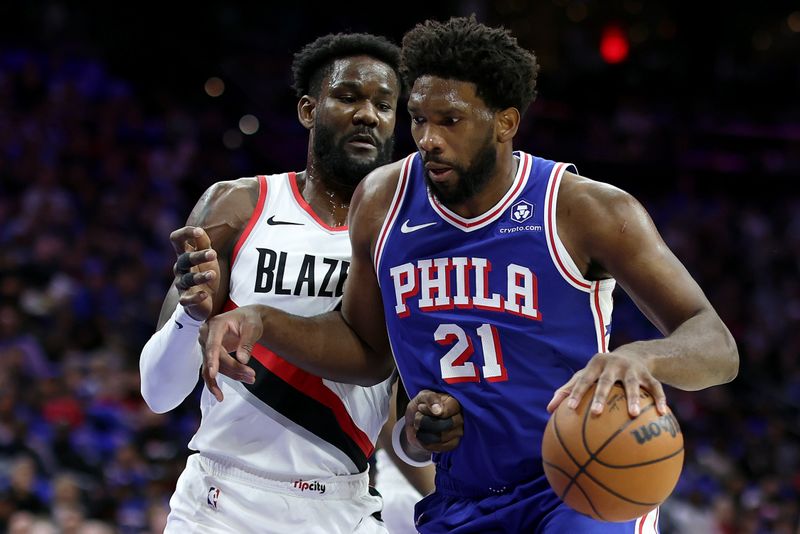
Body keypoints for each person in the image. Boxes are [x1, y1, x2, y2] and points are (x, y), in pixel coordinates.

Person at [200, 15, 739, 533]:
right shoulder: (383, 200)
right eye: (418, 118)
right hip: (462, 500)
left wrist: (638, 355)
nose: (427, 138)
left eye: (450, 121)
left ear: (505, 122)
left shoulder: (583, 209)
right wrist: (261, 320)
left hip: (580, 486)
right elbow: (365, 351)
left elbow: (715, 343)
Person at [139, 32, 462, 533]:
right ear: (309, 110)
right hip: (220, 503)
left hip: (342, 504)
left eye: (384, 104)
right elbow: (158, 394)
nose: (367, 115)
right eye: (349, 96)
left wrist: (420, 436)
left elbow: (404, 429)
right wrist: (191, 316)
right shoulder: (239, 204)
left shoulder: (412, 236)